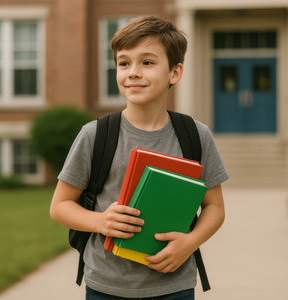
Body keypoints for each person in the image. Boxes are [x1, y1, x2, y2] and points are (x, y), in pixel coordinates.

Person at [50, 15, 228, 299]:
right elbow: (60, 206)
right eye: (124, 63)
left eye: (147, 62)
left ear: (175, 72)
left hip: (174, 286)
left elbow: (215, 208)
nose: (132, 72)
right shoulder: (95, 135)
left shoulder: (196, 135)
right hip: (105, 285)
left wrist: (190, 243)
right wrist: (100, 221)